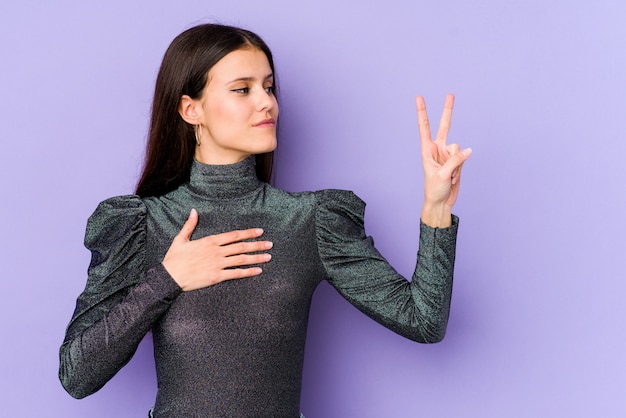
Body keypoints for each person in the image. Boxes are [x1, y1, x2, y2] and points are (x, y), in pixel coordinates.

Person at [59, 23, 471, 417]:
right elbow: (77, 375)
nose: (266, 102)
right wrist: (168, 278)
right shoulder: (142, 225)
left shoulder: (309, 221)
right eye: (243, 89)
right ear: (190, 109)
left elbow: (423, 320)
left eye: (269, 87)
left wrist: (435, 209)